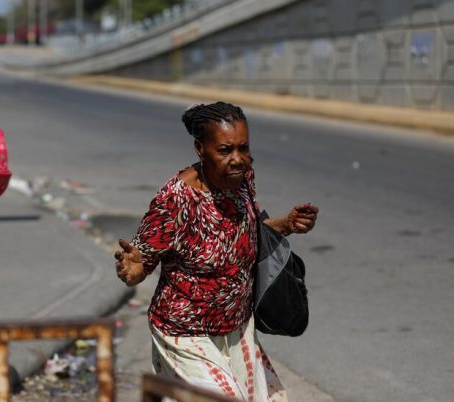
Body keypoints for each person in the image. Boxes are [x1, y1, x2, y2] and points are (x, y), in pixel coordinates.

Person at [114, 102, 319, 401]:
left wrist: (287, 224)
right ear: (200, 148)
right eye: (225, 150)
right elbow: (139, 264)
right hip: (185, 333)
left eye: (243, 148)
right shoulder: (175, 200)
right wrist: (132, 270)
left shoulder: (242, 179)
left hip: (236, 329)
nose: (238, 159)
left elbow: (250, 228)